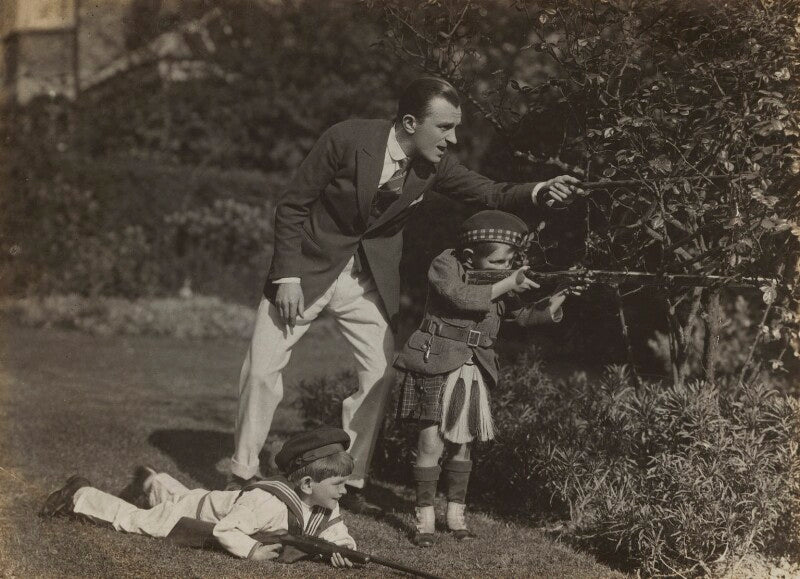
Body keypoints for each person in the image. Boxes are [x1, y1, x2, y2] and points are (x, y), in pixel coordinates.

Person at [231, 76, 582, 511]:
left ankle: (348, 482)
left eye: (455, 128)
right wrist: (287, 276)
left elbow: (490, 192)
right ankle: (242, 473)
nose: (453, 139)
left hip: (367, 281)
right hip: (306, 272)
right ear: (411, 123)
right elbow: (293, 205)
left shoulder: (434, 166)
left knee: (379, 374)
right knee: (261, 369)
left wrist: (541, 190)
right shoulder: (346, 138)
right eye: (445, 127)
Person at [393, 210, 580, 546]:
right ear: (469, 256)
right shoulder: (445, 264)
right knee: (430, 443)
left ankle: (455, 516)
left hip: (473, 366)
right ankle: (424, 519)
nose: (505, 268)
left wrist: (563, 291)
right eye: (498, 262)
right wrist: (509, 282)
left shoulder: (501, 280)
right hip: (436, 362)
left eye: (509, 262)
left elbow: (524, 316)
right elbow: (458, 296)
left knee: (463, 443)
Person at [39, 427, 357, 567]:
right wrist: (253, 550)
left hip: (207, 501)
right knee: (138, 521)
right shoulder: (267, 504)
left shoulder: (325, 503)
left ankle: (151, 481)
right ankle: (78, 494)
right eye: (339, 484)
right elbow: (224, 529)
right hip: (194, 517)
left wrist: (343, 551)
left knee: (185, 496)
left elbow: (336, 533)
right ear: (306, 484)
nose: (344, 491)